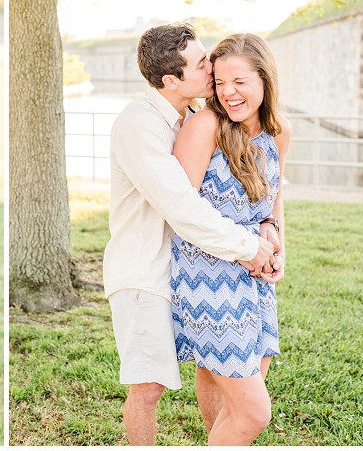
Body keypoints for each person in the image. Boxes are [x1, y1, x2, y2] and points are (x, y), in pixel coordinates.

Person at [103, 23, 282, 445]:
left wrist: (268, 228)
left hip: (188, 263)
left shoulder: (189, 117)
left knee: (211, 369)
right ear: (171, 80)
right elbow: (181, 206)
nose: (212, 71)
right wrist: (249, 247)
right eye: (203, 65)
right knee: (148, 389)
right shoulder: (140, 123)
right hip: (143, 272)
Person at [171, 33, 291, 445]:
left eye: (239, 81)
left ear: (264, 78)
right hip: (207, 276)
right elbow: (181, 210)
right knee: (254, 412)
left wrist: (275, 240)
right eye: (220, 82)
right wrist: (245, 247)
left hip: (256, 279)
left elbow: (274, 200)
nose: (228, 92)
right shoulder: (205, 125)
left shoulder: (279, 132)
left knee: (228, 395)